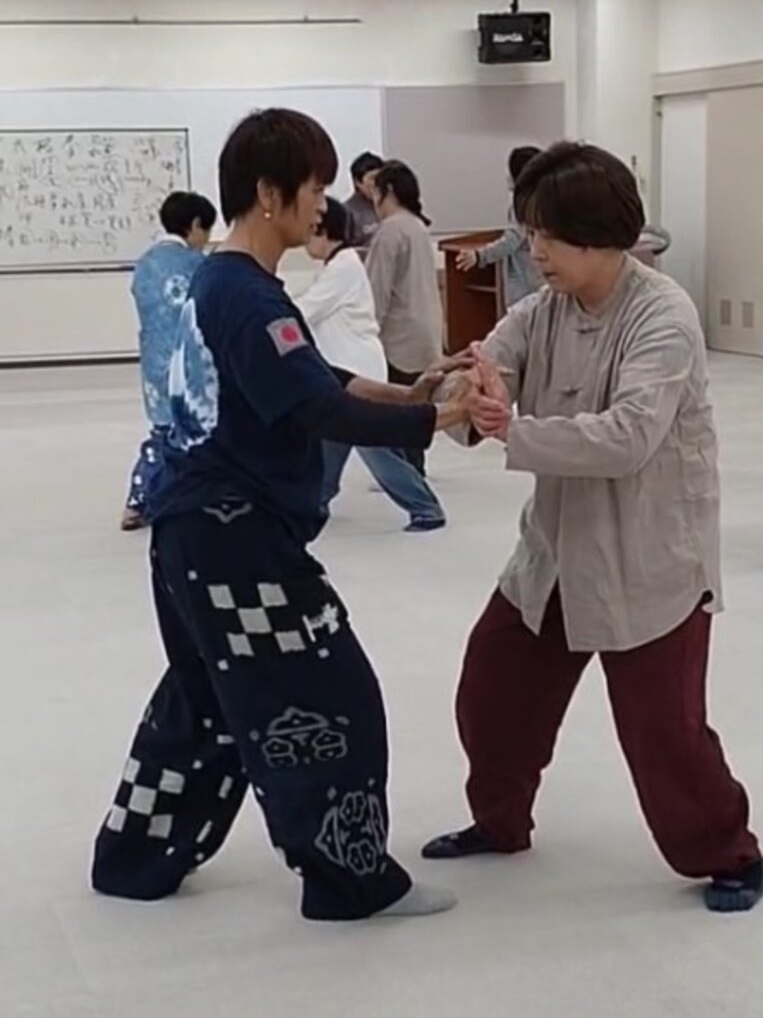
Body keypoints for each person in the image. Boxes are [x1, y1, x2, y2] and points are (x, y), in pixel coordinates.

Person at [91, 108, 476, 922]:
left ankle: (134, 857)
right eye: (314, 187)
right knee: (330, 698)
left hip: (193, 534)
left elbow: (313, 375)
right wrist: (436, 419)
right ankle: (348, 880)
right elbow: (316, 410)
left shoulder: (225, 282)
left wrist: (405, 391)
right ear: (269, 193)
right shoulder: (243, 291)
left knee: (204, 702)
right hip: (236, 543)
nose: (323, 204)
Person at [421, 141, 763, 915]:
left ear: (602, 235)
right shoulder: (543, 308)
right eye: (530, 232)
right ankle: (500, 822)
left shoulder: (662, 316)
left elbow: (627, 437)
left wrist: (512, 429)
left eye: (549, 235)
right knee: (492, 691)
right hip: (551, 550)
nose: (535, 251)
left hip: (648, 557)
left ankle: (730, 853)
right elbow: (492, 361)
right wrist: (473, 388)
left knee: (665, 734)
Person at [299, 196, 446, 532]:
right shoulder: (338, 266)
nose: (306, 242)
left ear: (325, 232)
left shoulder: (343, 268)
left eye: (311, 232)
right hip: (344, 374)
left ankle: (426, 509)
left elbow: (305, 311)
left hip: (357, 373)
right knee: (330, 441)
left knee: (375, 448)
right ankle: (315, 502)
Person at [121, 191, 217, 531]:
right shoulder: (197, 265)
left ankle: (139, 499)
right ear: (195, 225)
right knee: (197, 431)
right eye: (206, 231)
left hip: (154, 361)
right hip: (189, 362)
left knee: (163, 431)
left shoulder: (145, 263)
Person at [367, 160, 444, 477]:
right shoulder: (417, 226)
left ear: (386, 191)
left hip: (399, 335)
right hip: (426, 330)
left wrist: (367, 333)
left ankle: (405, 473)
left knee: (397, 406)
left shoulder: (390, 231)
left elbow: (376, 291)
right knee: (417, 403)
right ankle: (414, 467)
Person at [455, 146, 544, 308]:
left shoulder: (522, 205)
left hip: (525, 287)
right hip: (535, 282)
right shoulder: (542, 201)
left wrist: (480, 255)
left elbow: (511, 241)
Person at [344, 151, 383, 247]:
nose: (377, 183)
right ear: (358, 182)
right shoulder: (347, 212)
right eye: (372, 178)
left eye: (381, 177)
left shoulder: (389, 205)